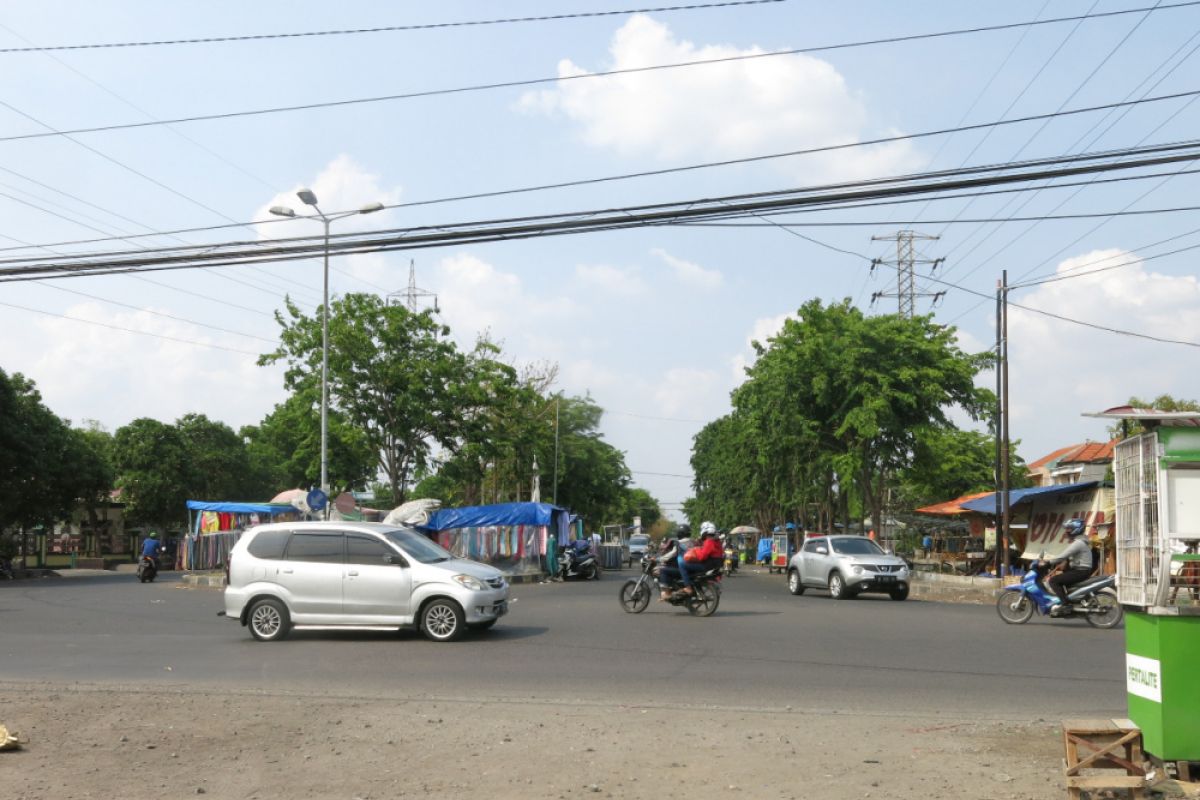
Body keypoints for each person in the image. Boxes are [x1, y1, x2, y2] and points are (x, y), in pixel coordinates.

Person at [1045, 519, 1093, 608]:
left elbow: (1062, 556)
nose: (1066, 531)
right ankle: (1071, 600)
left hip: (1080, 571)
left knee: (1053, 581)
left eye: (1069, 529)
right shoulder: (1081, 541)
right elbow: (1066, 557)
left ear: (1076, 529)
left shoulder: (1078, 543)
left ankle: (1065, 604)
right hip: (1081, 570)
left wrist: (1047, 563)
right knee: (1062, 578)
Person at [678, 522, 725, 594]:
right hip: (715, 564)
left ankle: (688, 587)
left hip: (707, 566)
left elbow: (702, 557)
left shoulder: (709, 541)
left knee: (682, 564)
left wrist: (695, 552)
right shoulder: (717, 541)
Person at [657, 524, 692, 600]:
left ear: (680, 533)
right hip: (691, 567)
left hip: (683, 568)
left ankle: (666, 593)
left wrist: (659, 559)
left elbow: (672, 554)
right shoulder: (692, 542)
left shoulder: (679, 543)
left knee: (663, 570)